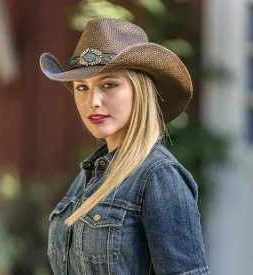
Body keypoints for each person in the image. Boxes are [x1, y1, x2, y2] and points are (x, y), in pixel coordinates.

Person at [40, 18, 211, 275]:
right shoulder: (89, 176)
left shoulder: (158, 176)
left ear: (140, 91)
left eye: (109, 84)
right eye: (82, 87)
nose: (93, 101)